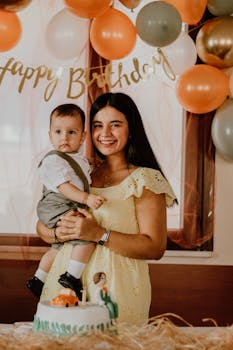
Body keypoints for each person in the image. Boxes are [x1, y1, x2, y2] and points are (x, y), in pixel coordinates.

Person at [36, 92, 177, 325]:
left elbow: (155, 247)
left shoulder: (144, 179)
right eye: (97, 125)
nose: (105, 134)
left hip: (114, 291)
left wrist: (98, 234)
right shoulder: (82, 174)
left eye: (116, 125)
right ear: (87, 132)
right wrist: (57, 233)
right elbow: (42, 224)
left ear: (131, 129)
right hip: (63, 285)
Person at [26, 103, 105, 299]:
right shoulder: (54, 160)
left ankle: (38, 279)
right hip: (57, 203)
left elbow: (81, 175)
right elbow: (63, 186)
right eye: (58, 131)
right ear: (50, 135)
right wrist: (86, 198)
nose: (64, 137)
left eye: (71, 132)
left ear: (82, 136)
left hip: (65, 203)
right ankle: (71, 277)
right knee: (86, 238)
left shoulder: (77, 159)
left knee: (59, 247)